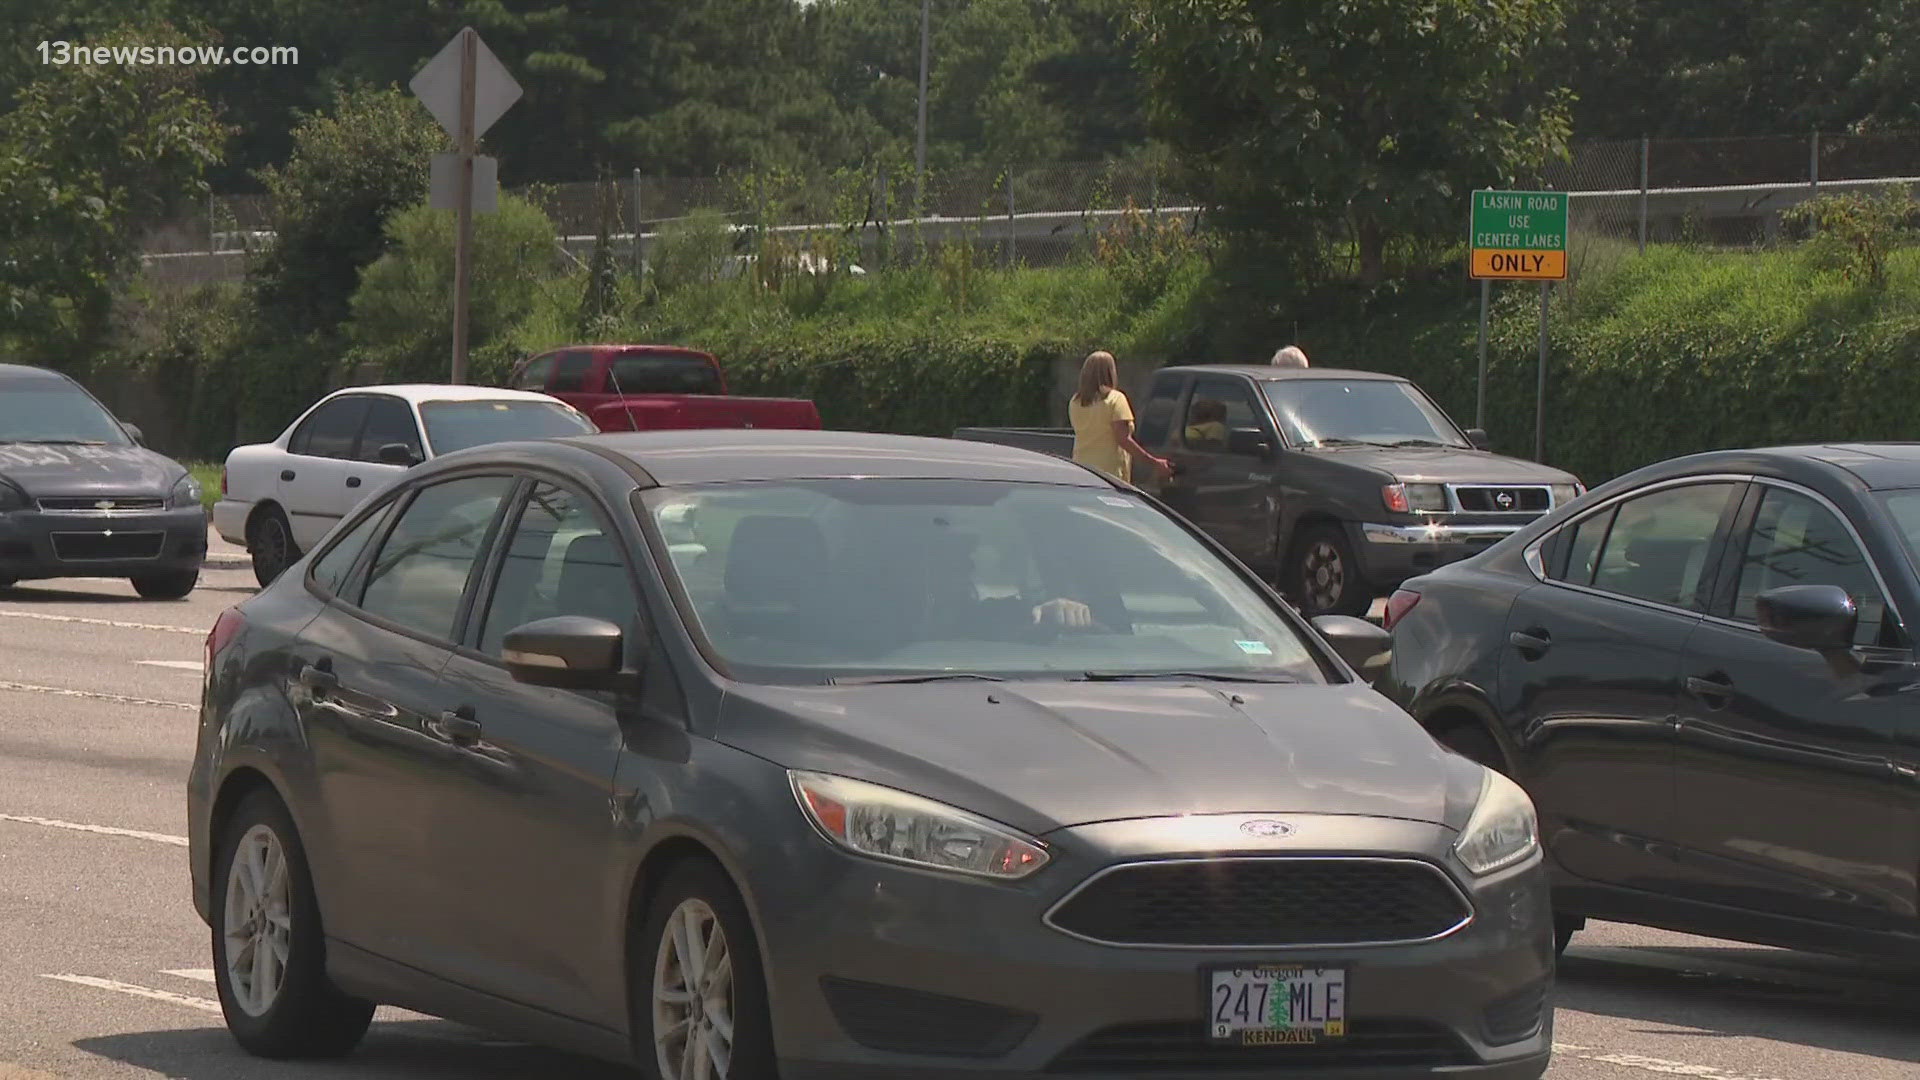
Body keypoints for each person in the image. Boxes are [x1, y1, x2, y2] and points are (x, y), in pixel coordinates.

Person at [1068, 350, 1171, 484]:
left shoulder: (1075, 401)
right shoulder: (1116, 399)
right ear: (1110, 372)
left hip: (1081, 467)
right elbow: (1123, 440)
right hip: (1109, 473)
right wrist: (1154, 462)